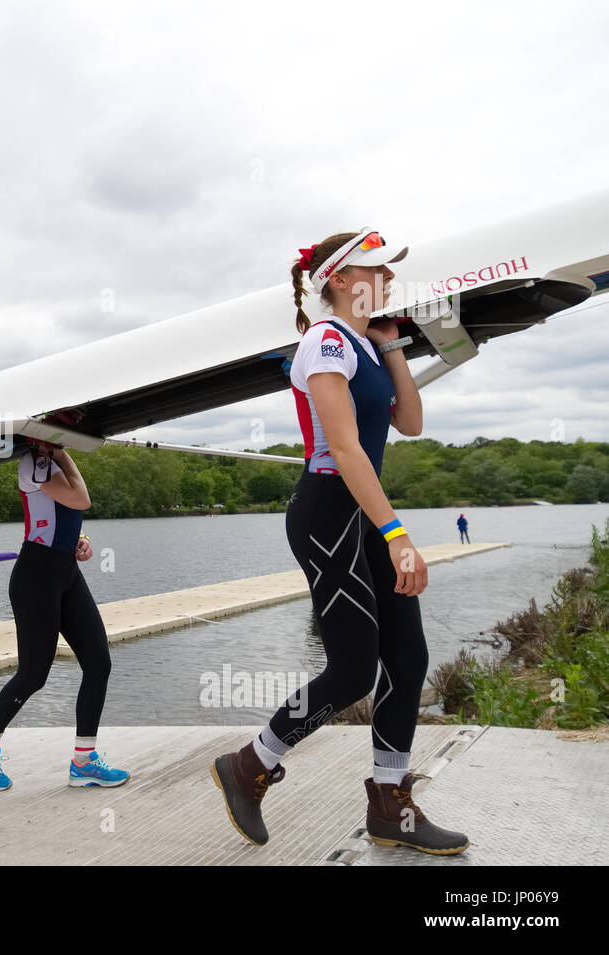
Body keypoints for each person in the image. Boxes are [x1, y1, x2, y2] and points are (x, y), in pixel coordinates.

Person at [211, 229, 468, 854]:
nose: (388, 279)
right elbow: (347, 450)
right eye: (378, 270)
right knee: (354, 669)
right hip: (329, 511)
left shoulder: (361, 344)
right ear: (344, 280)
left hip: (363, 509)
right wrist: (398, 534)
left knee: (406, 659)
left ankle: (389, 803)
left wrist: (393, 348)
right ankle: (251, 763)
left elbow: (409, 422)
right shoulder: (323, 343)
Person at [0, 440, 128, 791]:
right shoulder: (32, 461)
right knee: (33, 674)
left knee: (99, 663)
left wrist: (79, 538)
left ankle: (84, 762)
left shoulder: (50, 460)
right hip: (36, 576)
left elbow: (63, 512)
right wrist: (62, 454)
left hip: (65, 571)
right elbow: (82, 499)